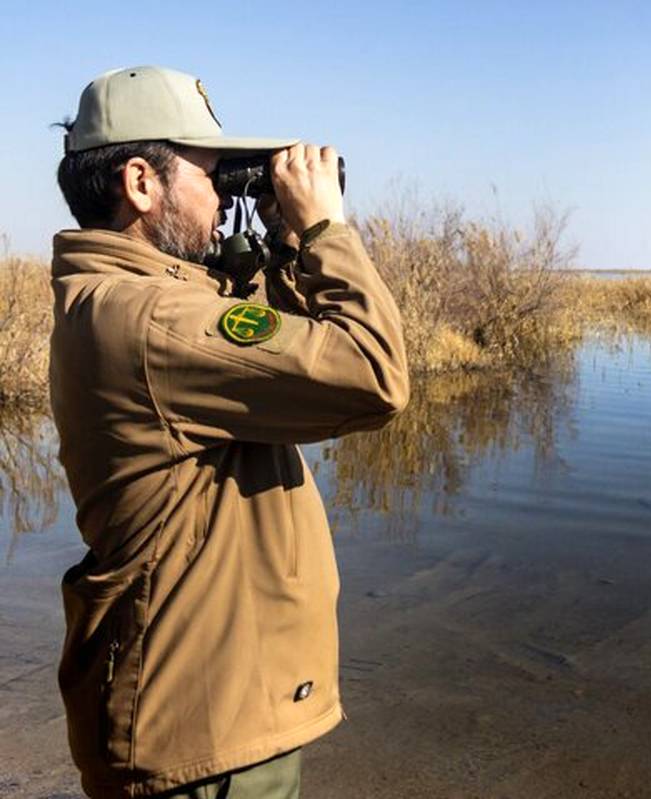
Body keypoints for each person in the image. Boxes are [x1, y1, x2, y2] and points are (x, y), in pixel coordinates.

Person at [50, 66, 409, 798]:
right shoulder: (150, 319)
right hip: (205, 742)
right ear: (142, 184)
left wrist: (275, 244)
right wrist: (321, 229)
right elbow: (373, 372)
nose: (223, 196)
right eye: (213, 174)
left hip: (208, 712)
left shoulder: (126, 299)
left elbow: (268, 342)